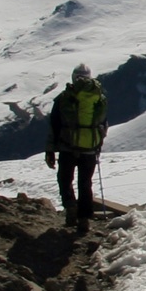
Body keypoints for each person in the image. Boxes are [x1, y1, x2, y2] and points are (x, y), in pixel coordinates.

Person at [46, 63, 107, 231]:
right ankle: (84, 219)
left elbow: (54, 125)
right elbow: (103, 123)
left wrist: (50, 150)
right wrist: (97, 142)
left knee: (65, 180)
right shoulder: (98, 97)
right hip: (90, 148)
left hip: (68, 147)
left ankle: (71, 208)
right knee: (85, 183)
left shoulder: (64, 97)